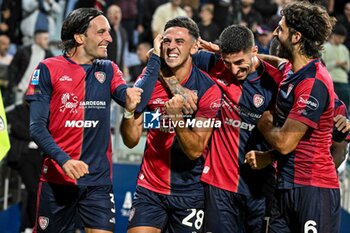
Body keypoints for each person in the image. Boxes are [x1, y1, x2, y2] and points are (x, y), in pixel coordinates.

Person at [25, 8, 159, 233]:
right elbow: (36, 127)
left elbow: (138, 100)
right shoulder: (48, 68)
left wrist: (154, 59)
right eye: (101, 32)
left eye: (108, 31)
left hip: (98, 183)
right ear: (79, 37)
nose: (109, 37)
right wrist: (64, 160)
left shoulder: (108, 69)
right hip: (57, 181)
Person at [163, 24, 285, 232]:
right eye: (228, 63)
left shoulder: (276, 81)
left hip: (259, 189)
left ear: (255, 51)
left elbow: (294, 137)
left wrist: (270, 157)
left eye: (240, 63)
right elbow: (156, 55)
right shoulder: (213, 62)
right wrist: (177, 87)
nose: (234, 70)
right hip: (218, 186)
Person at [120, 16, 222, 233]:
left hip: (189, 193)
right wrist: (128, 111)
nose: (171, 47)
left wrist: (175, 118)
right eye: (167, 41)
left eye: (179, 41)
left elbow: (195, 150)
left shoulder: (208, 89)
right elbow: (130, 141)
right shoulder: (149, 82)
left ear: (195, 47)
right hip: (149, 189)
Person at [245, 2, 340, 232]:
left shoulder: (312, 82)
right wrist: (247, 55)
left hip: (313, 190)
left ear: (296, 37)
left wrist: (263, 122)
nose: (275, 34)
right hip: (286, 186)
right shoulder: (293, 69)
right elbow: (278, 63)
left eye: (280, 29)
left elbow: (286, 143)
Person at [8, 30, 53, 105]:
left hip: (35, 93)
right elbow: (12, 68)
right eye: (45, 39)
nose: (47, 41)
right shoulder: (23, 51)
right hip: (20, 89)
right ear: (38, 39)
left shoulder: (48, 55)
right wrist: (13, 85)